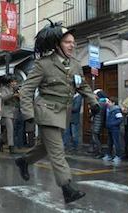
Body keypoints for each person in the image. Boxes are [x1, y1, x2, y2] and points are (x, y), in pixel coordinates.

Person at [15, 20, 100, 204]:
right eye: (68, 42)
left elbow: (82, 86)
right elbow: (26, 89)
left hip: (63, 113)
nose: (72, 45)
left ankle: (24, 161)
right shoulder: (43, 64)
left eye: (73, 42)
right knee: (57, 151)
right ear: (57, 45)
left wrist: (93, 102)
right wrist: (28, 113)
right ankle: (67, 188)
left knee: (45, 148)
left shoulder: (76, 65)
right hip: (46, 111)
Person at [0, 75, 20, 154]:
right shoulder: (4, 89)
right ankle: (11, 146)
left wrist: (19, 95)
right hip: (7, 111)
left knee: (8, 129)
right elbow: (4, 98)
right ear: (9, 83)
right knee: (10, 129)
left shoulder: (16, 89)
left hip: (14, 111)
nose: (14, 83)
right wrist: (13, 94)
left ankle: (1, 141)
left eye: (15, 81)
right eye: (13, 82)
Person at [102, 97, 123, 164]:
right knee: (109, 142)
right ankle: (109, 155)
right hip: (109, 128)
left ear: (113, 103)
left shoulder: (116, 110)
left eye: (109, 102)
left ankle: (118, 156)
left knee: (116, 142)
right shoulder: (109, 109)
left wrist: (113, 124)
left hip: (115, 129)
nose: (108, 103)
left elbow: (120, 119)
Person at [88, 89, 107, 158]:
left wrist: (91, 107)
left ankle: (99, 152)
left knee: (95, 138)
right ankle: (97, 151)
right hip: (100, 122)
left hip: (97, 122)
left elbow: (93, 112)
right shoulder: (104, 103)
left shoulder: (99, 104)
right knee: (97, 137)